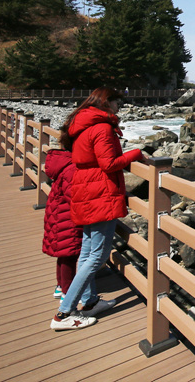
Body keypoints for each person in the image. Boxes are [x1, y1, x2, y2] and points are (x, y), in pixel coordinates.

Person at [50, 87, 147, 330]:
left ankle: (90, 301)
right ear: (107, 103)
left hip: (87, 190)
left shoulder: (82, 124)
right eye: (117, 103)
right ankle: (64, 313)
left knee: (87, 251)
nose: (119, 107)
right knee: (97, 255)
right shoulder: (102, 127)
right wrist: (136, 154)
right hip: (100, 193)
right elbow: (109, 163)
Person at [42, 148, 82, 302]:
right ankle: (68, 293)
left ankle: (60, 286)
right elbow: (74, 195)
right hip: (67, 219)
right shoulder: (72, 168)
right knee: (69, 256)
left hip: (58, 216)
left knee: (63, 255)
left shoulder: (63, 163)